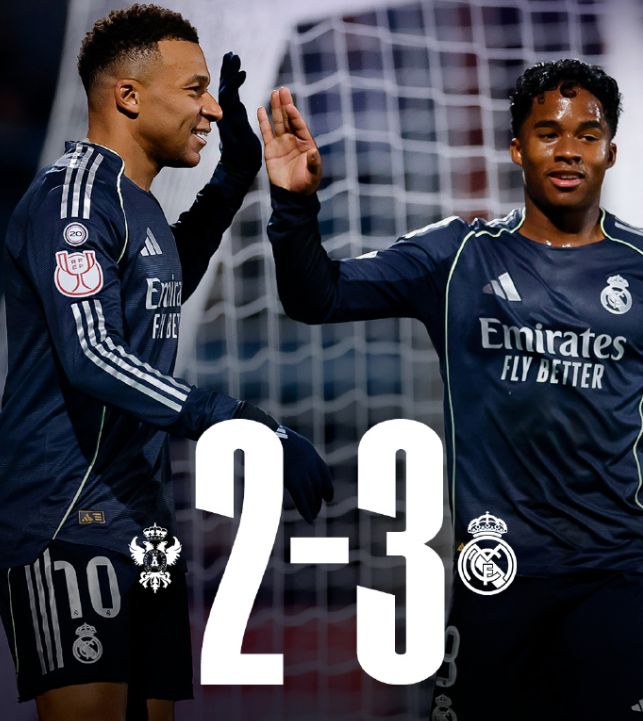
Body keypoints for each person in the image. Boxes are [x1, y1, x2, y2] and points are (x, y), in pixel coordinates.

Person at [258, 59, 643, 721]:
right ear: (516, 148)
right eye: (548, 133)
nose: (569, 150)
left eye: (587, 134)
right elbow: (315, 296)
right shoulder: (456, 254)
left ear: (610, 150)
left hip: (617, 574)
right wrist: (294, 206)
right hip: (495, 569)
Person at [0, 5, 332, 721]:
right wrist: (239, 419)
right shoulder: (72, 200)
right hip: (68, 516)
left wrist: (233, 178)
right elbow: (93, 355)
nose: (213, 108)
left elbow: (158, 285)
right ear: (127, 96)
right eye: (194, 90)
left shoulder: (136, 202)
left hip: (143, 521)